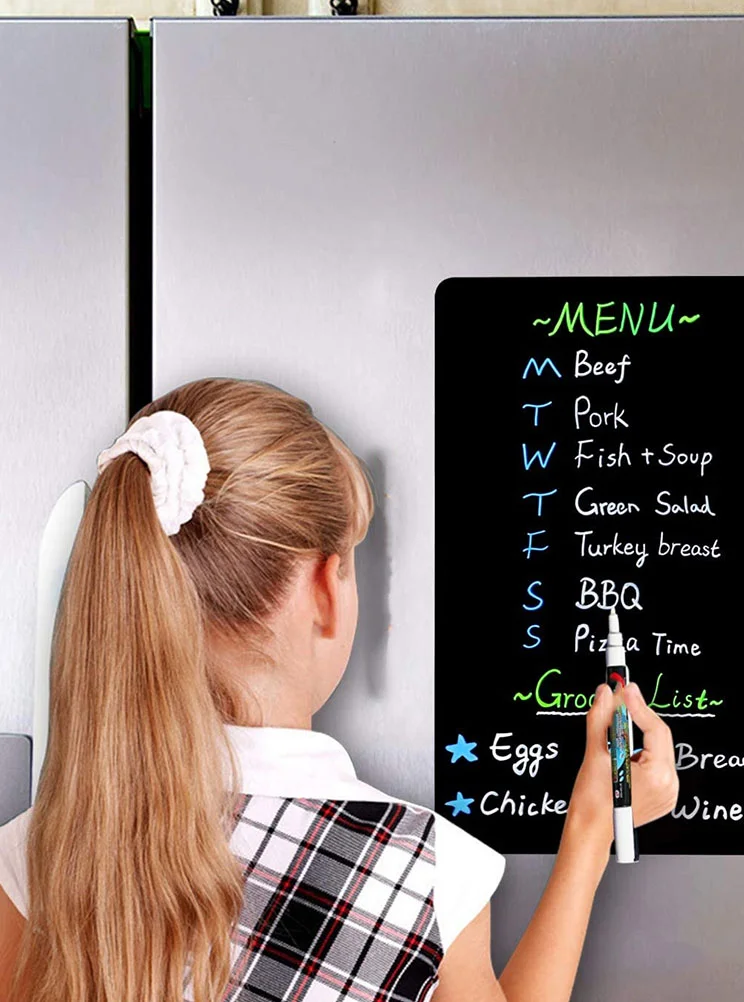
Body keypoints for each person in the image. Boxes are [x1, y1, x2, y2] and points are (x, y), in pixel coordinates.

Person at [0, 376, 679, 1002]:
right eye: (354, 566)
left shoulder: (38, 856)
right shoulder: (425, 875)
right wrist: (589, 832)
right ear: (325, 591)